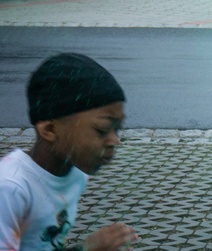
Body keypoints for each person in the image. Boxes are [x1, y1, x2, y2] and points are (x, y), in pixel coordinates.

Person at [0, 53, 139, 251]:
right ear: (50, 130)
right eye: (102, 130)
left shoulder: (75, 175)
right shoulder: (11, 188)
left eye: (117, 129)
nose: (114, 141)